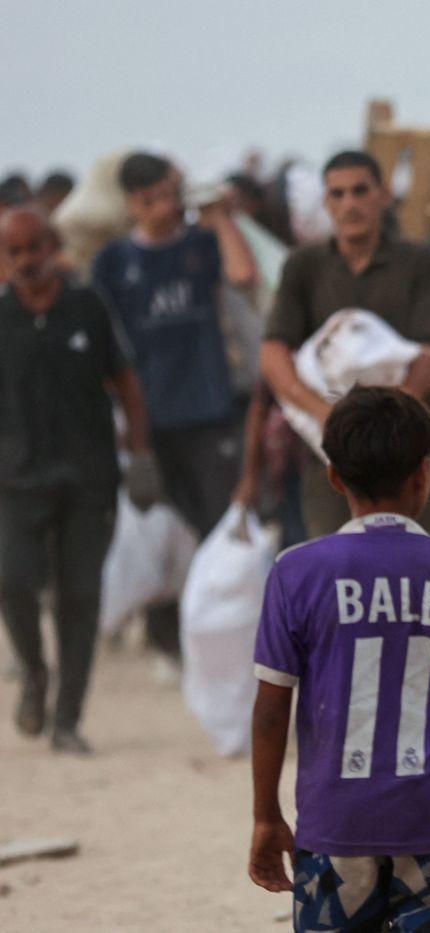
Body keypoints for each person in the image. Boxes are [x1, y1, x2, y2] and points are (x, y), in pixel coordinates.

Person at [247, 386, 430, 931]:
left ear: (335, 477)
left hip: (333, 823)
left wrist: (265, 814)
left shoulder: (297, 573)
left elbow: (272, 711)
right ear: (424, 473)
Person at [0, 208, 157, 753]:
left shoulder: (87, 307)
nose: (24, 261)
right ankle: (34, 673)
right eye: (12, 251)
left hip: (88, 483)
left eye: (32, 248)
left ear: (52, 247)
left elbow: (127, 385)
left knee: (80, 599)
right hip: (16, 480)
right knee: (13, 582)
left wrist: (140, 457)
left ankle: (67, 720)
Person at [91, 151, 256, 665]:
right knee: (162, 530)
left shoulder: (202, 244)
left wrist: (219, 216)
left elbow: (244, 274)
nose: (162, 207)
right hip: (149, 419)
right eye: (149, 200)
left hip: (208, 411)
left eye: (168, 194)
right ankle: (168, 638)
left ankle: (223, 628)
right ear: (131, 204)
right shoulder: (115, 262)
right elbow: (105, 346)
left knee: (217, 523)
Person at [260, 150, 430, 539]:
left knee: (414, 565)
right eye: (338, 194)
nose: (350, 203)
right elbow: (273, 353)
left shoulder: (416, 261)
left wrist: (384, 422)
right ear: (326, 203)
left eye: (360, 191)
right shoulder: (304, 266)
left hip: (407, 451)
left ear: (382, 195)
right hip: (331, 454)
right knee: (338, 568)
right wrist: (326, 415)